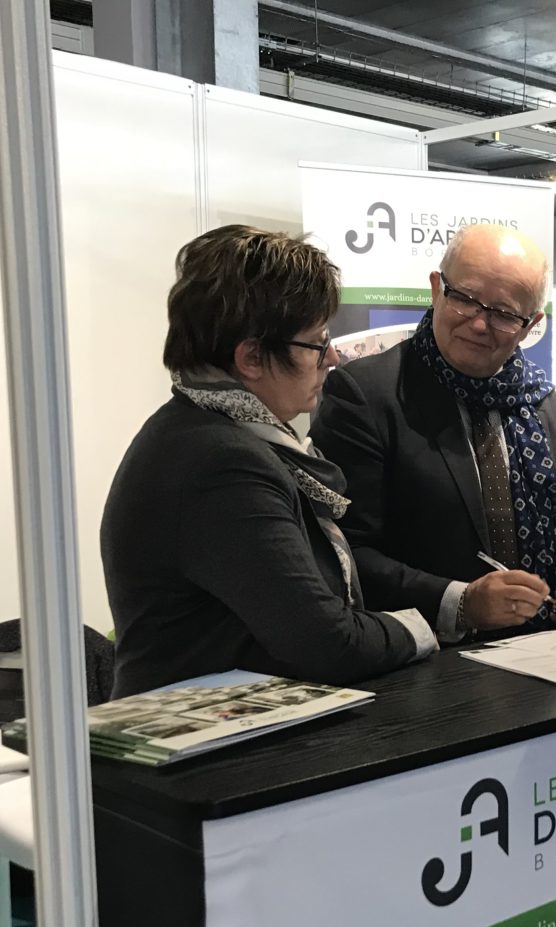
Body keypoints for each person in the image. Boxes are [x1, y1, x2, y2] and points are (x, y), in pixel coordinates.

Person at [101, 225, 437, 699]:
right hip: (210, 751)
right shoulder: (221, 463)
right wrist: (420, 629)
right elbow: (327, 643)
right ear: (252, 357)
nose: (333, 356)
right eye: (317, 343)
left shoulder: (198, 432)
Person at [311, 224, 556, 640]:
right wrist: (461, 602)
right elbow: (343, 550)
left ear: (531, 324)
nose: (479, 324)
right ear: (437, 288)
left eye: (504, 314)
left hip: (550, 647)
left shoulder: (544, 405)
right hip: (428, 659)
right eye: (465, 299)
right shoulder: (366, 394)